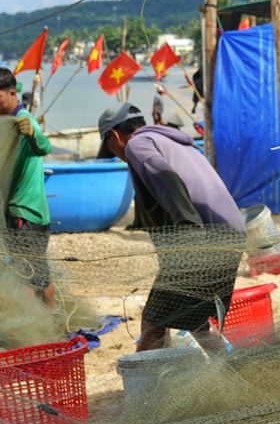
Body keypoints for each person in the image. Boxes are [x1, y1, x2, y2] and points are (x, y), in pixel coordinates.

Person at [97, 102, 245, 352]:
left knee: (155, 319)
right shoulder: (174, 142)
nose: (116, 156)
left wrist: (188, 227)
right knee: (195, 320)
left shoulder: (137, 144)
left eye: (111, 149)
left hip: (202, 239)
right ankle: (231, 369)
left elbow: (167, 178)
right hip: (230, 236)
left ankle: (146, 387)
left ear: (113, 135)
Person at [0, 67, 55, 307]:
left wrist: (33, 133)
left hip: (24, 212)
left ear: (12, 93)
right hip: (30, 212)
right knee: (38, 275)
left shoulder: (25, 121)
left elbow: (44, 147)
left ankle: (36, 330)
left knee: (27, 278)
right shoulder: (10, 125)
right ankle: (49, 325)